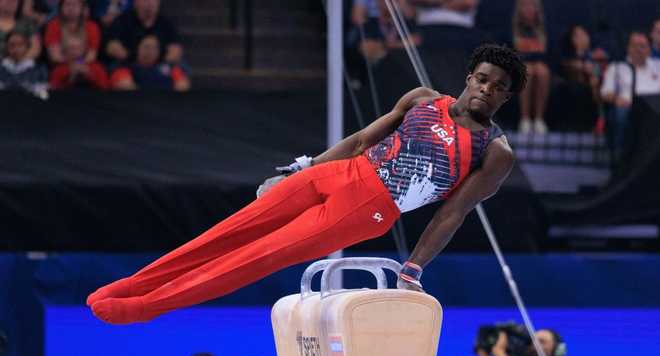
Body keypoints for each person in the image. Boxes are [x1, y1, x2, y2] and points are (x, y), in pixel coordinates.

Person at [87, 43, 526, 325]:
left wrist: (413, 268)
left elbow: (453, 212)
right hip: (333, 174)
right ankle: (132, 284)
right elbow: (360, 140)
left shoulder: (494, 151)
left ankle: (144, 307)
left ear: (506, 97)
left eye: (498, 87)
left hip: (368, 208)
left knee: (255, 257)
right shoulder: (423, 98)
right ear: (470, 77)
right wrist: (301, 168)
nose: (487, 90)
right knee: (227, 233)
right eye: (483, 79)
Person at [600, 31, 660, 155]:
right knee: (621, 113)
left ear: (649, 49)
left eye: (643, 46)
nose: (639, 50)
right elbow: (605, 93)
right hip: (629, 107)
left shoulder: (657, 66)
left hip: (655, 109)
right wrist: (617, 99)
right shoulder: (616, 67)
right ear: (628, 48)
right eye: (635, 46)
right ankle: (621, 157)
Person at [512, 0, 550, 134]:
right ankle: (525, 119)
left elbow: (547, 55)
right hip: (517, 67)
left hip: (539, 65)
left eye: (532, 6)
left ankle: (539, 119)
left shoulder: (543, 30)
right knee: (528, 70)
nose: (529, 9)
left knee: (542, 71)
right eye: (525, 6)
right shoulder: (512, 29)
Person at [105, 0, 182, 65]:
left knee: (180, 72)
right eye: (145, 0)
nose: (150, 3)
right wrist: (134, 59)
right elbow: (111, 47)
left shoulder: (166, 23)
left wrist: (159, 64)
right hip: (128, 65)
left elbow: (175, 50)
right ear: (135, 2)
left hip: (159, 66)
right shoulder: (123, 20)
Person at [110, 34, 189, 91]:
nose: (150, 51)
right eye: (146, 47)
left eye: (154, 48)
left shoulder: (170, 69)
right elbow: (125, 86)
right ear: (137, 48)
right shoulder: (124, 68)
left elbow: (183, 86)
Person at [43, 0, 102, 65]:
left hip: (86, 64)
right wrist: (72, 64)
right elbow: (55, 56)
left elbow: (91, 56)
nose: (71, 8)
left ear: (82, 7)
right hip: (61, 65)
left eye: (75, 5)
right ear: (61, 7)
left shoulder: (92, 27)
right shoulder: (54, 25)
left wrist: (78, 63)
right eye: (68, 4)